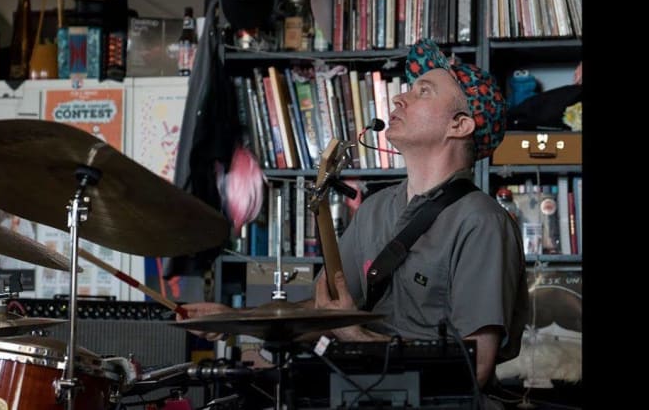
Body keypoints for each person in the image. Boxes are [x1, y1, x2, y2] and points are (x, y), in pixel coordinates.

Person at [181, 38, 529, 399]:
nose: (399, 98)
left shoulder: (482, 222)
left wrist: (356, 336)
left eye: (423, 91)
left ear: (459, 125)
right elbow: (324, 311)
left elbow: (477, 368)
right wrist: (233, 321)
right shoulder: (375, 209)